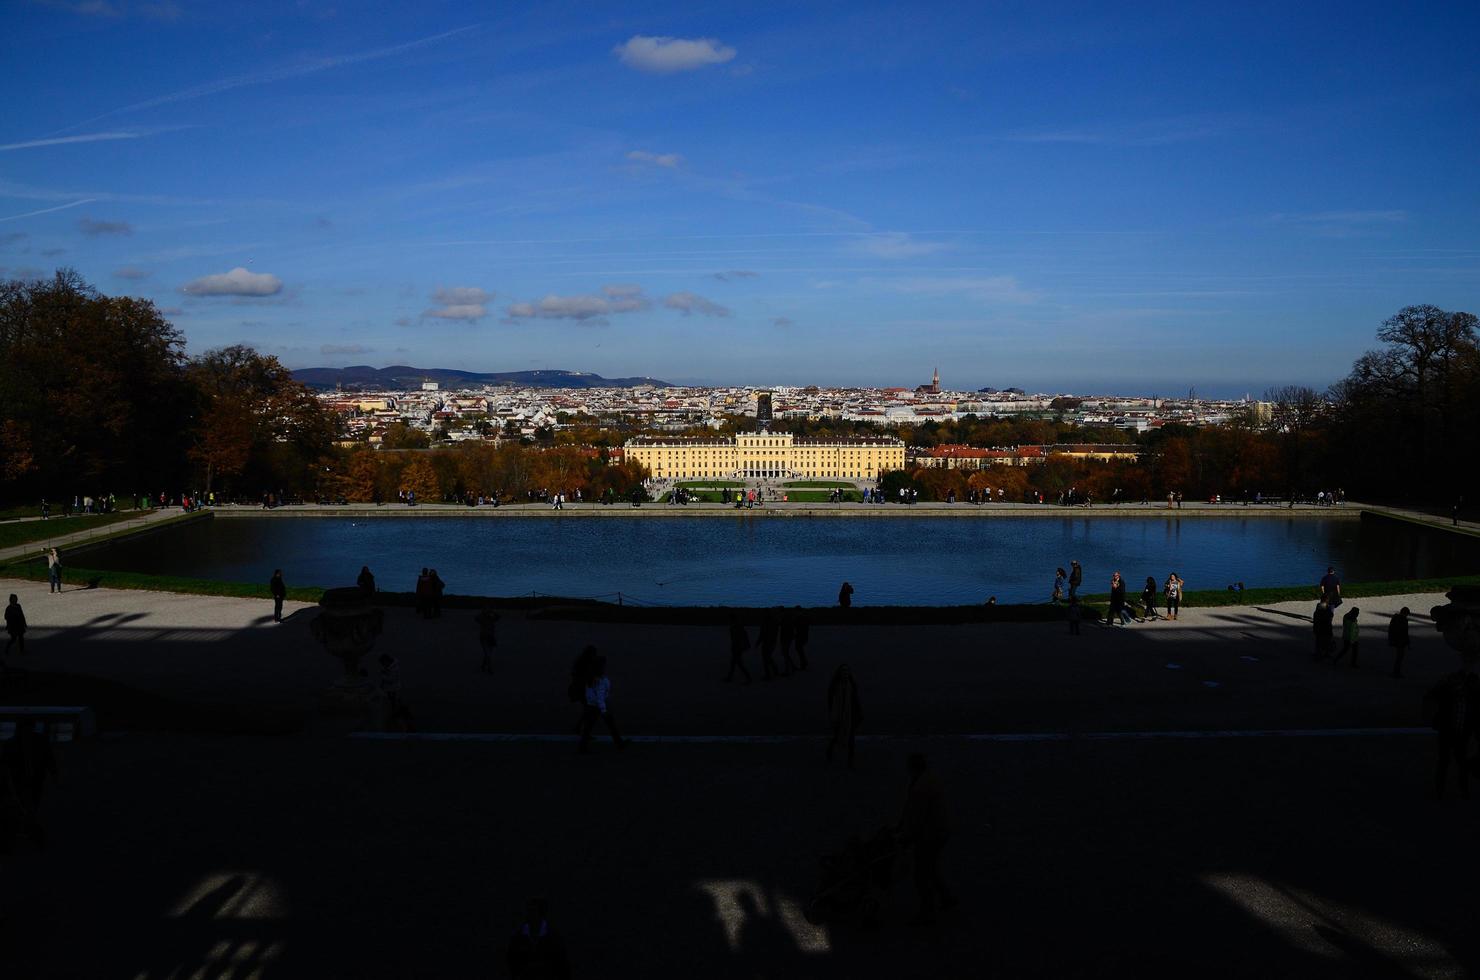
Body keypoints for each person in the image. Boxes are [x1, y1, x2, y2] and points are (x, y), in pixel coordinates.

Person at [899, 753, 955, 924]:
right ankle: (946, 897)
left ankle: (928, 910)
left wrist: (906, 836)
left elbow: (917, 817)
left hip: (931, 834)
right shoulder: (928, 779)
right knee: (930, 866)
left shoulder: (920, 787)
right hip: (940, 830)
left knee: (921, 874)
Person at [1426, 651, 1479, 799]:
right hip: (1451, 729)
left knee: (1456, 762)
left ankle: (1459, 790)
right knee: (1447, 761)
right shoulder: (1451, 683)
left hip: (1460, 731)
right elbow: (1434, 694)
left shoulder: (1471, 685)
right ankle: (1443, 790)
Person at [506, 898, 571, 980]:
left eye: (533, 911)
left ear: (541, 914)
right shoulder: (518, 937)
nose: (529, 915)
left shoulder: (553, 937)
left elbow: (561, 964)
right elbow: (512, 962)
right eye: (528, 911)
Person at [578, 656, 623, 753]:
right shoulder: (601, 680)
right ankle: (620, 744)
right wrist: (603, 709)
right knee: (611, 725)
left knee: (588, 728)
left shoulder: (591, 678)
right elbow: (600, 696)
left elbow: (590, 693)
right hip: (598, 707)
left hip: (592, 705)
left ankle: (582, 748)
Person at [826, 664, 862, 768]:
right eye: (843, 671)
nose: (845, 673)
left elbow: (855, 700)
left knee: (850, 738)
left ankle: (850, 760)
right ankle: (830, 750)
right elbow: (832, 703)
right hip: (839, 716)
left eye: (847, 671)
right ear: (840, 673)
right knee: (839, 736)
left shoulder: (851, 685)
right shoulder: (836, 687)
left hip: (850, 715)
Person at [725, 615, 753, 683]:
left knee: (739, 663)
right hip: (737, 647)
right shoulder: (735, 627)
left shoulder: (736, 627)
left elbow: (737, 639)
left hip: (738, 647)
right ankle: (729, 677)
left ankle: (748, 678)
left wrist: (737, 647)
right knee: (733, 663)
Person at [1387, 607, 1410, 679]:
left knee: (1399, 657)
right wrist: (1407, 641)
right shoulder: (1403, 620)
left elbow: (1391, 629)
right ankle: (1396, 672)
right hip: (1400, 641)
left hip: (1396, 640)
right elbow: (1404, 632)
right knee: (1399, 657)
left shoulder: (1395, 618)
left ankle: (1396, 671)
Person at [477, 605, 500, 674]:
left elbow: (499, 616)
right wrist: (483, 613)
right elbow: (476, 618)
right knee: (487, 653)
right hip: (483, 637)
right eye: (486, 610)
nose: (487, 611)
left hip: (491, 637)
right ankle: (489, 668)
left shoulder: (492, 618)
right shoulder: (481, 618)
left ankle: (483, 665)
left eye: (488, 610)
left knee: (488, 653)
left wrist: (492, 612)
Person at [759, 611, 781, 680]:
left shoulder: (765, 623)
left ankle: (768, 674)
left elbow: (762, 634)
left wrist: (758, 642)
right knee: (768, 657)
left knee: (766, 658)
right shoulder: (775, 623)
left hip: (767, 642)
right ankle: (775, 670)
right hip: (771, 642)